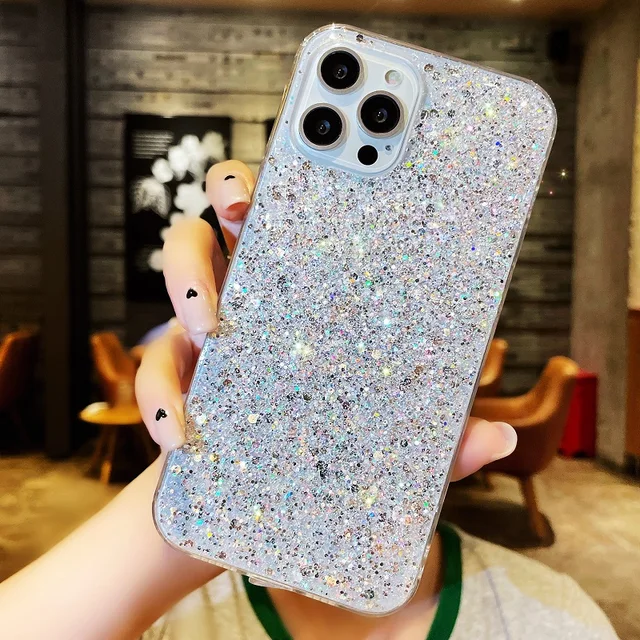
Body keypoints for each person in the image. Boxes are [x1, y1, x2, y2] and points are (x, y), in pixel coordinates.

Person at [0, 161, 617, 640]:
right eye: (320, 322)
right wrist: (196, 476)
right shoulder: (166, 616)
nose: (352, 369)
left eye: (404, 315)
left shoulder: (554, 621)